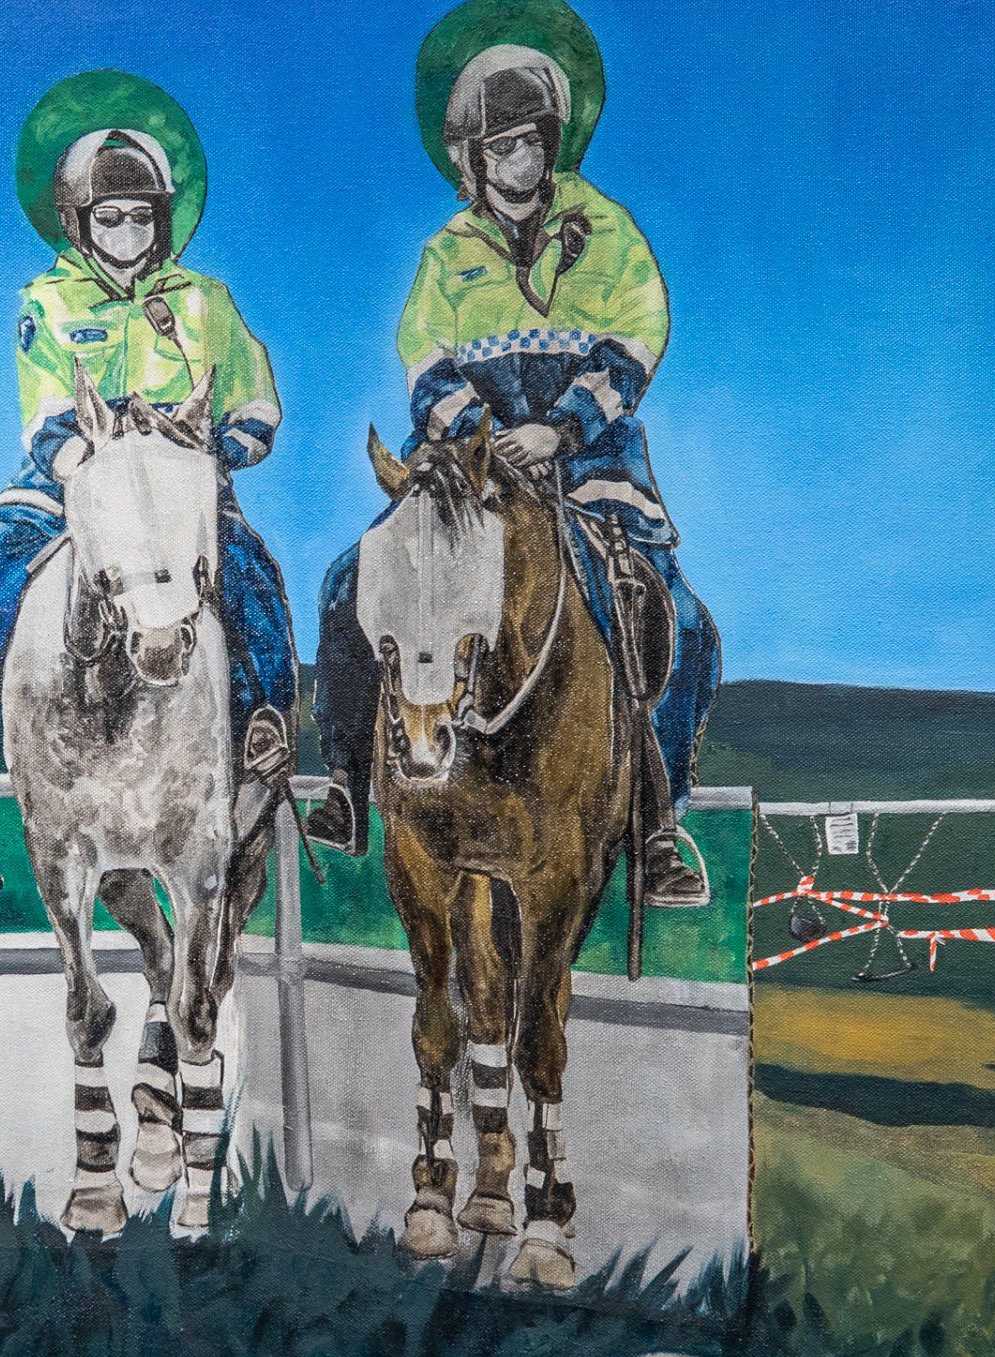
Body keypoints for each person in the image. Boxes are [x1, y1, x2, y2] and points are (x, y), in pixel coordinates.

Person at [308, 3, 719, 906]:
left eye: (532, 142)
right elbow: (425, 363)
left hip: (589, 462)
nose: (520, 161)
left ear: (552, 143)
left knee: (682, 622)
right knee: (347, 581)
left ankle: (659, 820)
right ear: (473, 159)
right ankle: (346, 781)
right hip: (466, 469)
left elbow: (637, 338)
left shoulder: (609, 230)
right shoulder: (446, 253)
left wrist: (559, 429)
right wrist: (483, 440)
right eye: (501, 147)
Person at [0, 70, 299, 889]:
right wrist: (95, 473)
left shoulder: (204, 300)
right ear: (80, 221)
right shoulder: (47, 301)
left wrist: (222, 453)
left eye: (141, 216)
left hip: (182, 481)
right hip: (75, 477)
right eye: (109, 217)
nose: (127, 231)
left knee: (251, 568)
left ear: (163, 220)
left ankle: (262, 718)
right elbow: (47, 415)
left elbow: (255, 400)